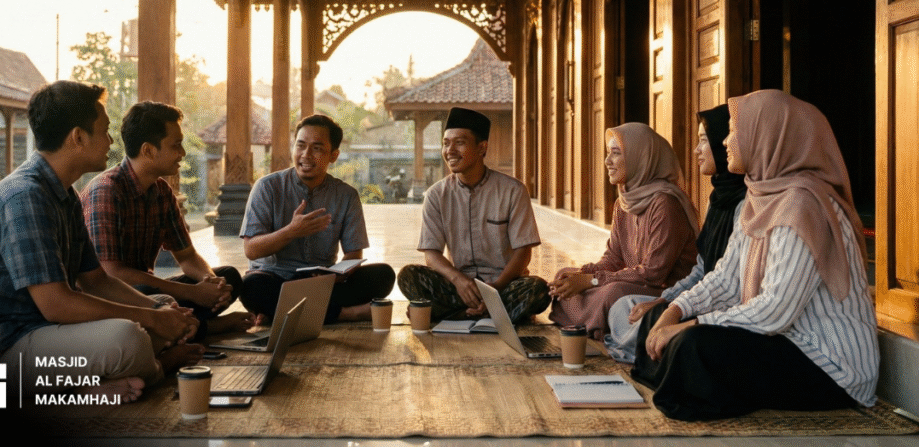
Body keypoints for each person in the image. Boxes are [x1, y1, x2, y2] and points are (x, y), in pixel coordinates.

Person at [0, 81, 201, 404]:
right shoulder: (24, 196)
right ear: (78, 137)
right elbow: (57, 304)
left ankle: (80, 388)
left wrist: (157, 310)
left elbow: (97, 281)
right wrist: (152, 319)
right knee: (128, 338)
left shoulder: (64, 195)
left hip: (38, 335)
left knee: (160, 304)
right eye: (105, 131)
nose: (111, 141)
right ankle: (153, 369)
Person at [632, 90, 878, 421]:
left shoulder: (803, 206)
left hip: (828, 365)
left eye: (735, 130)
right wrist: (675, 310)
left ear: (766, 136)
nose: (726, 141)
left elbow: (774, 310)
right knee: (658, 319)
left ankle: (688, 383)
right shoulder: (759, 196)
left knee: (695, 345)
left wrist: (691, 324)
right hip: (784, 341)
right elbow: (726, 279)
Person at [80, 101, 253, 340]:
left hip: (149, 293)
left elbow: (187, 257)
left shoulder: (161, 191)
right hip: (110, 299)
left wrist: (212, 284)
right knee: (153, 294)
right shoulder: (106, 191)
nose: (182, 153)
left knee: (229, 276)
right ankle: (205, 327)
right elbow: (111, 274)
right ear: (148, 151)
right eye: (176, 145)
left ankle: (186, 327)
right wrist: (192, 293)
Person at [604, 105, 746, 362]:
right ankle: (641, 345)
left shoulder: (746, 204)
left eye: (704, 140)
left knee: (623, 300)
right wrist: (666, 302)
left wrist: (673, 307)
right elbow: (702, 269)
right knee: (622, 307)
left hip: (720, 306)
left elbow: (726, 284)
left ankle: (639, 347)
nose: (696, 150)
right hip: (696, 296)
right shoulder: (717, 199)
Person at [397, 107, 550, 324]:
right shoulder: (436, 195)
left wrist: (494, 290)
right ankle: (494, 315)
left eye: (459, 143)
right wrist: (458, 280)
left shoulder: (513, 191)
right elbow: (431, 254)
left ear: (481, 147)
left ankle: (455, 315)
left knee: (539, 289)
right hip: (459, 287)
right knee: (408, 276)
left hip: (502, 286)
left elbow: (523, 253)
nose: (450, 150)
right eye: (446, 143)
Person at [239, 114, 395, 323]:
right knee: (251, 287)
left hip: (323, 282)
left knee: (383, 275)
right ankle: (346, 314)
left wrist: (336, 275)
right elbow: (251, 249)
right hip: (276, 278)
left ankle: (281, 312)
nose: (306, 155)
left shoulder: (346, 195)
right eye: (300, 145)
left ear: (334, 155)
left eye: (317, 148)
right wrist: (291, 231)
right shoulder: (267, 187)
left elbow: (353, 253)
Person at [548, 123, 698, 339]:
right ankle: (593, 322)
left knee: (613, 293)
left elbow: (653, 274)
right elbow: (613, 258)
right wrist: (581, 274)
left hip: (663, 291)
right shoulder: (624, 202)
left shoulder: (665, 204)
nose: (607, 161)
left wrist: (591, 280)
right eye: (608, 153)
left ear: (641, 158)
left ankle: (590, 323)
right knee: (564, 274)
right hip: (634, 281)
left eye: (616, 153)